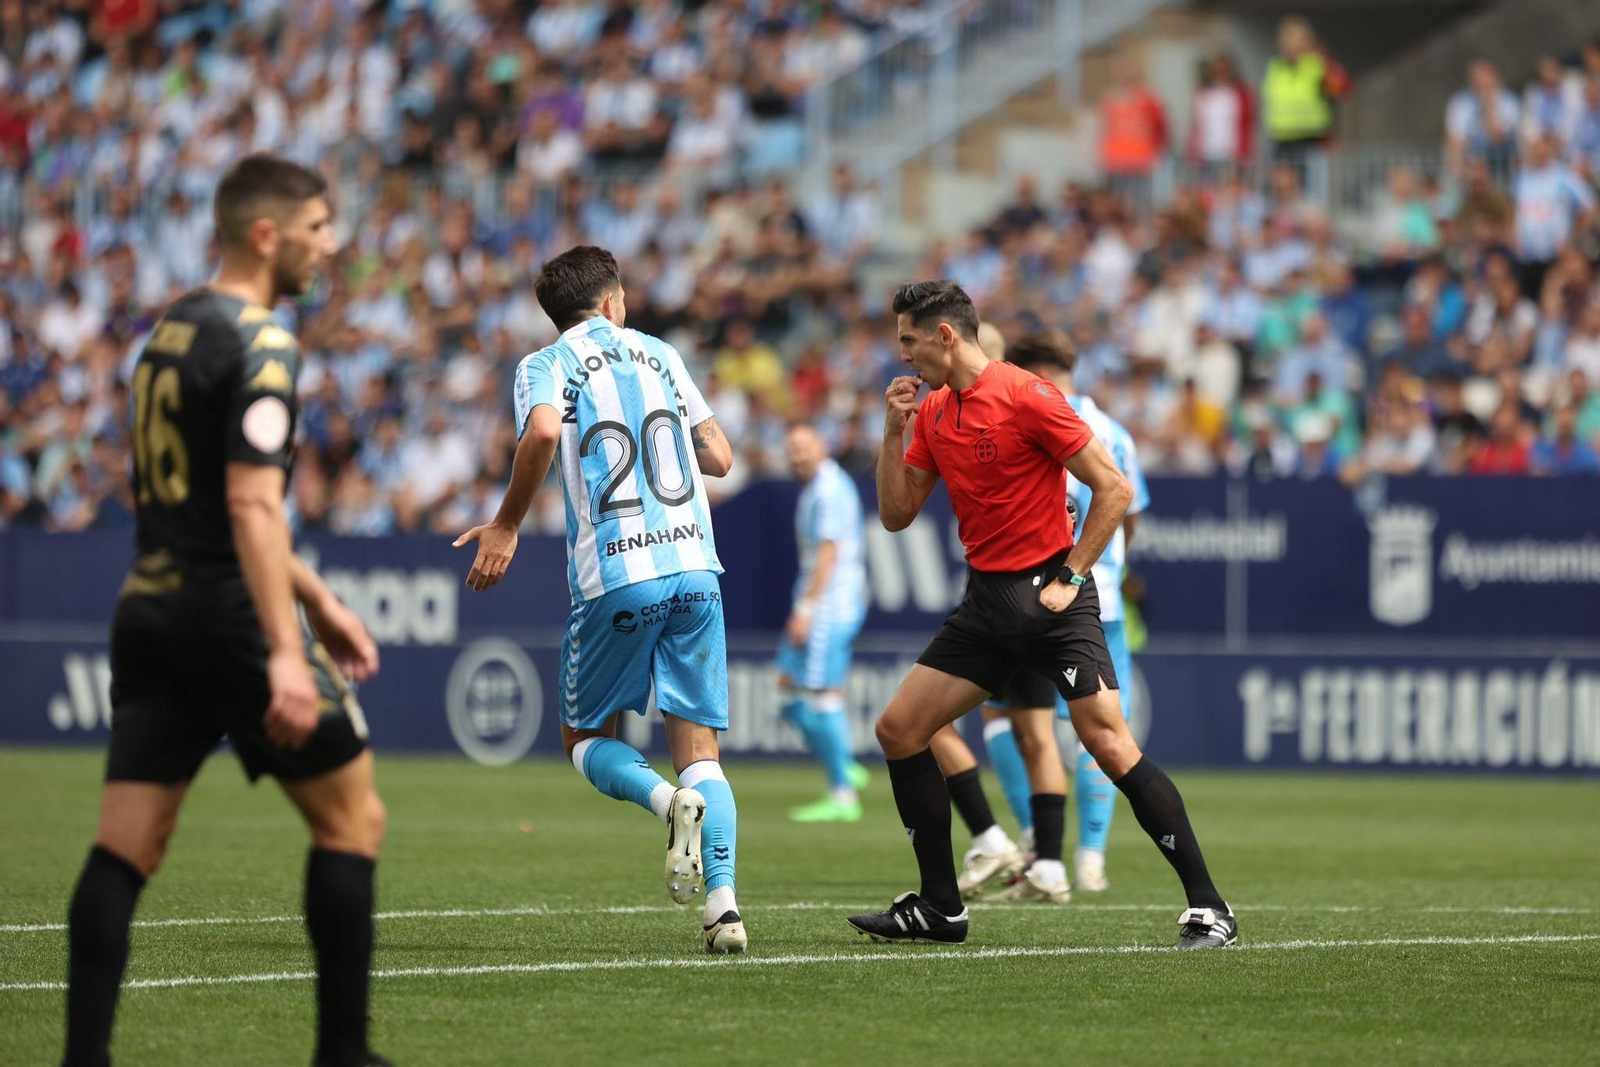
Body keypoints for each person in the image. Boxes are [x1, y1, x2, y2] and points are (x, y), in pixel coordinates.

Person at [62, 155, 389, 1067]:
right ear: (266, 234)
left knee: (126, 845)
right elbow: (250, 505)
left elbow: (207, 497)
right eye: (319, 228)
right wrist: (286, 650)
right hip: (228, 615)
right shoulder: (264, 342)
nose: (330, 246)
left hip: (150, 607)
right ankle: (344, 1053)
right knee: (352, 818)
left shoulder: (168, 331)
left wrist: (321, 598)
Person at [846, 280, 1234, 949]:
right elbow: (895, 512)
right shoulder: (934, 411)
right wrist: (891, 431)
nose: (902, 354)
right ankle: (942, 907)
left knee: (1108, 743)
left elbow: (1112, 487)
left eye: (908, 339)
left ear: (945, 335)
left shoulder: (1027, 395)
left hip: (1053, 599)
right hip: (987, 602)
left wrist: (1072, 573)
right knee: (900, 729)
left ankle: (1210, 906)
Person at [453, 245, 747, 954]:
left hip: (618, 571)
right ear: (613, 302)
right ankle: (724, 907)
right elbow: (720, 457)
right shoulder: (660, 353)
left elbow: (546, 430)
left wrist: (508, 522)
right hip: (696, 566)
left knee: (586, 740)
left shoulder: (544, 365)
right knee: (700, 748)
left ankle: (664, 802)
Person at [779, 420, 871, 822]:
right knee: (786, 690)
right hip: (820, 601)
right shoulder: (820, 487)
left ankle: (843, 792)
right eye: (792, 449)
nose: (797, 456)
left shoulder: (830, 491)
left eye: (803, 447)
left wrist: (807, 609)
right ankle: (843, 760)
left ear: (823, 445)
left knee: (820, 694)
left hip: (829, 605)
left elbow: (828, 555)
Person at [1261, 16, 1348, 164]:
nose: (1291, 45)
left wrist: (1326, 61)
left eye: (1296, 39)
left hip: (1312, 139)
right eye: (1287, 39)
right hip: (1281, 139)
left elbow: (1341, 89)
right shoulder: (1275, 68)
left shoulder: (1317, 65)